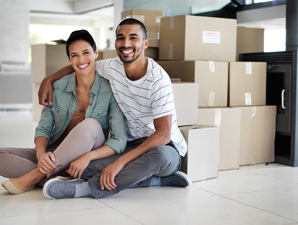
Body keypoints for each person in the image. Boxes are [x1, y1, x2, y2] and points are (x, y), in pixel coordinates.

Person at [39, 18, 190, 200]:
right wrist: (48, 79)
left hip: (166, 148)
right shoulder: (111, 67)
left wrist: (120, 162)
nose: (126, 44)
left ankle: (86, 188)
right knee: (82, 167)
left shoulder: (158, 79)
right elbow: (82, 64)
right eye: (121, 38)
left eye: (133, 38)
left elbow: (163, 135)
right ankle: (153, 180)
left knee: (159, 156)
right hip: (133, 144)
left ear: (145, 43)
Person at [0, 30, 127, 195]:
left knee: (89, 125)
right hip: (54, 152)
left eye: (86, 53)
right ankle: (58, 177)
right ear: (69, 59)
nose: (81, 60)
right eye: (74, 55)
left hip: (85, 156)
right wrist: (41, 155)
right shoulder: (58, 87)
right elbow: (44, 128)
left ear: (95, 53)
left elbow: (119, 139)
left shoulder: (110, 90)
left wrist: (88, 157)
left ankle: (34, 177)